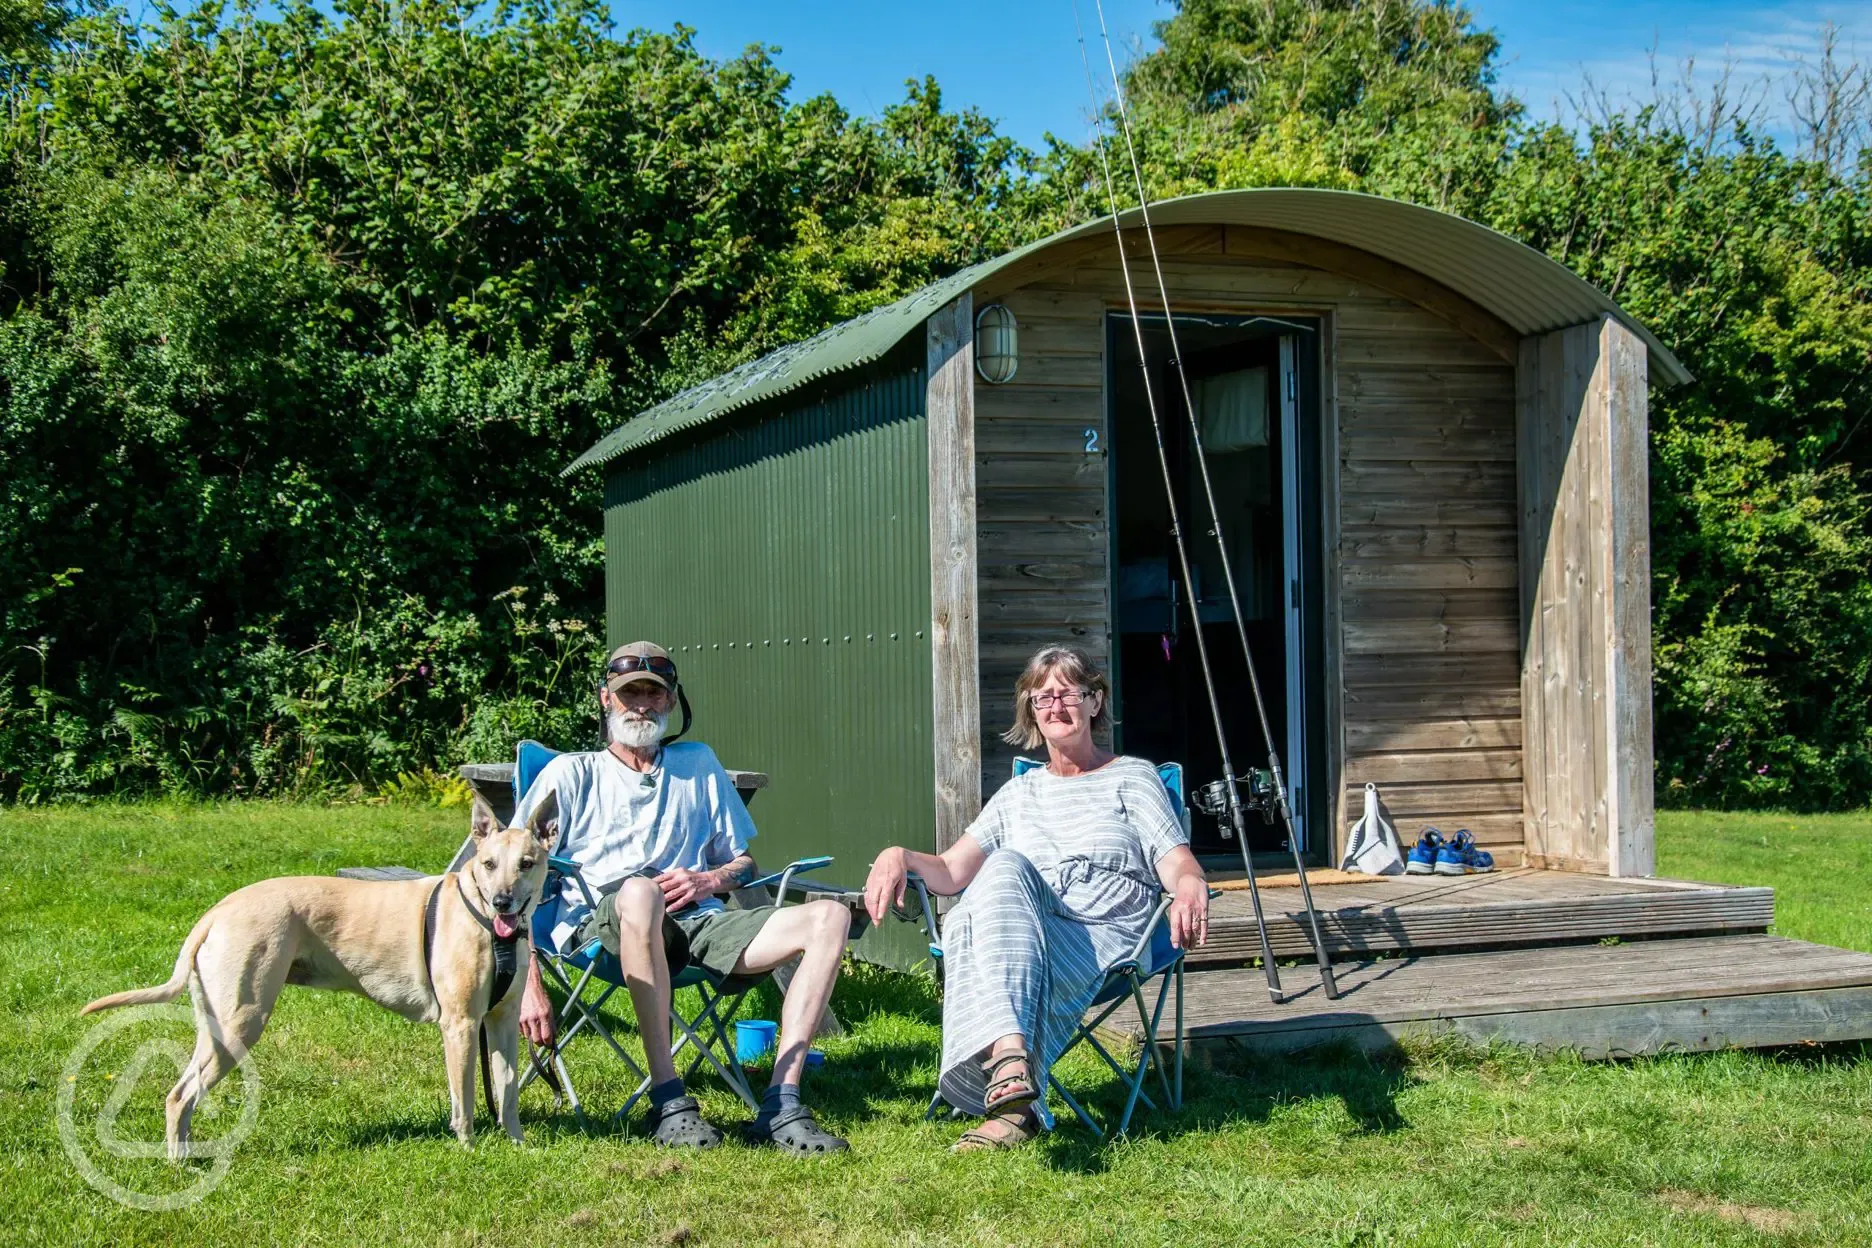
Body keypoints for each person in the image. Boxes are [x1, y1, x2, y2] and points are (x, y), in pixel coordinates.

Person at [863, 644, 1210, 1151]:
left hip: (1104, 932)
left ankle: (1010, 1091)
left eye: (1070, 693)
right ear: (1031, 711)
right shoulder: (1017, 796)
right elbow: (952, 871)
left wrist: (1189, 886)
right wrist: (898, 854)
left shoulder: (1133, 777)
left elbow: (1176, 860)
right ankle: (1013, 1071)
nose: (1056, 706)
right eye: (1042, 697)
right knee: (1001, 871)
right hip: (1023, 930)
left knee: (996, 889)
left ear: (1095, 702)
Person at [514, 641, 851, 1154]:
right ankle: (668, 1098)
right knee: (641, 892)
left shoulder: (698, 762)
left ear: (672, 702)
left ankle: (782, 1101)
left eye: (654, 692)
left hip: (699, 919)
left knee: (828, 916)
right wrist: (528, 982)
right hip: (605, 927)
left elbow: (743, 863)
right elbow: (511, 877)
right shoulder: (572, 773)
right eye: (630, 694)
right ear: (606, 699)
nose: (642, 704)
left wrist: (707, 881)